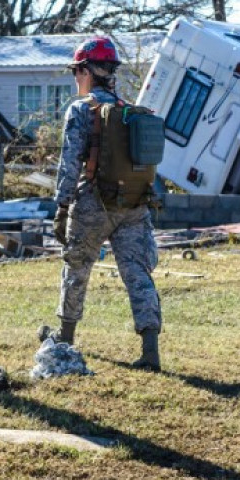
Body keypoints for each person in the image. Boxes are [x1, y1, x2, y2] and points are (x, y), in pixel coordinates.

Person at [38, 36, 162, 372]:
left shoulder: (81, 110)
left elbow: (69, 164)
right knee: (138, 275)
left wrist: (62, 208)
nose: (75, 79)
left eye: (76, 72)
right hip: (134, 205)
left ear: (87, 71)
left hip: (93, 203)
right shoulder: (128, 112)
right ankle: (150, 351)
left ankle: (65, 340)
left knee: (76, 269)